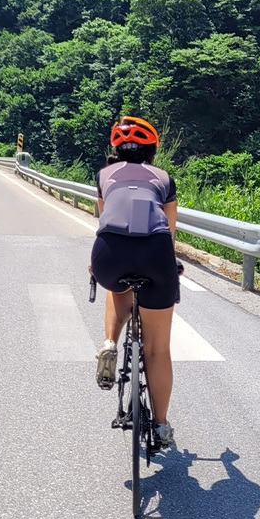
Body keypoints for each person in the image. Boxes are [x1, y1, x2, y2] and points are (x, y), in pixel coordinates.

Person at [90, 116, 179, 451]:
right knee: (157, 349)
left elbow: (105, 220)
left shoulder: (104, 175)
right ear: (153, 150)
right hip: (155, 253)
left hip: (110, 253)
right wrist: (171, 265)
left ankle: (109, 344)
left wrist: (96, 263)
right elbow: (169, 231)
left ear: (116, 149)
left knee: (117, 286)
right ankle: (161, 424)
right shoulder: (164, 178)